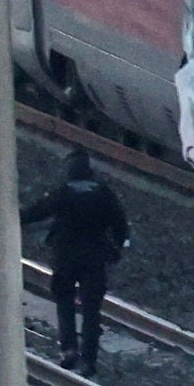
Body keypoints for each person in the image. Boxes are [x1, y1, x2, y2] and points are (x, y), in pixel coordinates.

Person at [19, 147, 131, 374]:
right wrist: (117, 247)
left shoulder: (62, 193)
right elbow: (120, 224)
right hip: (94, 259)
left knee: (65, 302)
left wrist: (15, 216)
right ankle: (89, 359)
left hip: (65, 257)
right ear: (89, 171)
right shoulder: (103, 194)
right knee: (92, 309)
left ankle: (68, 349)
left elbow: (36, 212)